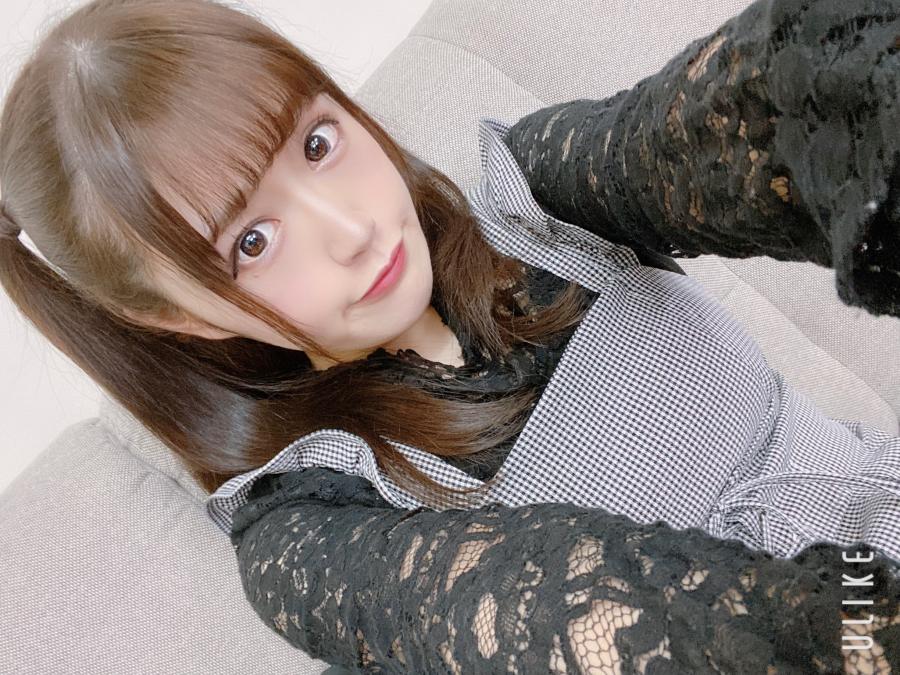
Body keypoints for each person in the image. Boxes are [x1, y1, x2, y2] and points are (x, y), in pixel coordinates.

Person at [0, 0, 898, 672]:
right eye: (253, 242)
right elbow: (582, 616)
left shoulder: (534, 199)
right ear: (181, 316)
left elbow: (775, 112)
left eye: (317, 144)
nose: (351, 227)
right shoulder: (308, 532)